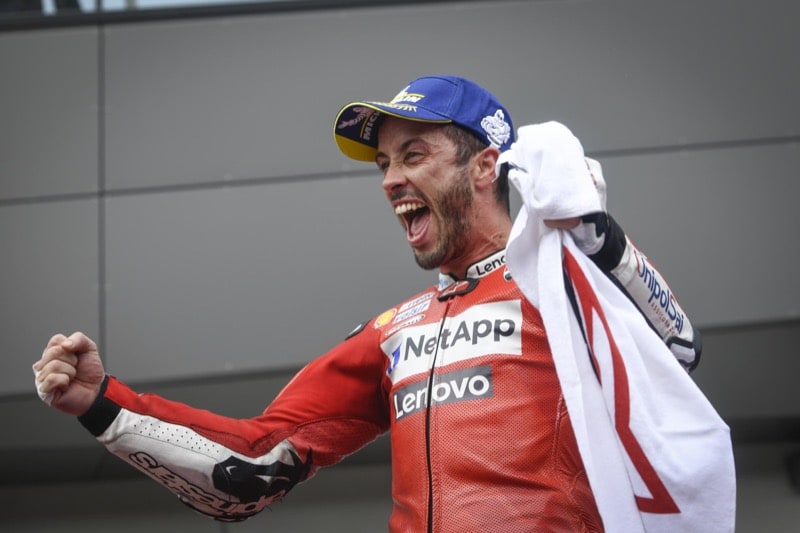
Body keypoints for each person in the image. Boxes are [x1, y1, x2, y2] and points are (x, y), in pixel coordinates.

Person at [33, 75, 708, 532]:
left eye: (413, 155)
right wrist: (101, 403)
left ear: (484, 166)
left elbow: (679, 349)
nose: (390, 180)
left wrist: (598, 239)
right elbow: (250, 472)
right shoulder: (393, 332)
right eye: (384, 164)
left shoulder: (564, 277)